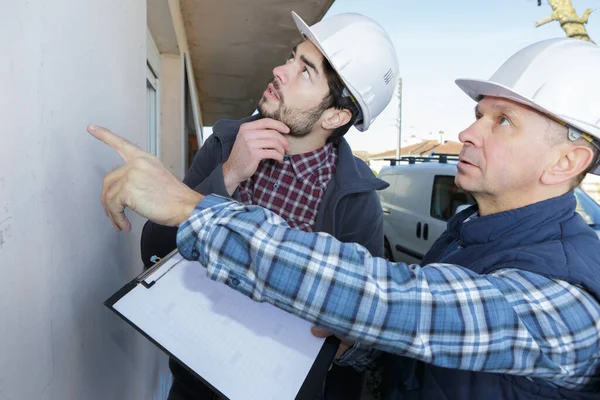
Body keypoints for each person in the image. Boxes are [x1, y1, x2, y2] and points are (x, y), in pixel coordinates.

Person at [89, 37, 600, 399]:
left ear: (567, 163)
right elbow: (397, 346)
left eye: (503, 121)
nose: (468, 134)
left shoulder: (570, 305)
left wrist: (191, 206)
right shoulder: (466, 237)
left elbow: (390, 299)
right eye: (478, 116)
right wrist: (353, 341)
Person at [139, 11, 399, 400]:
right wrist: (226, 176)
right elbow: (154, 250)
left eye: (305, 70)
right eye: (291, 57)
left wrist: (351, 337)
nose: (280, 70)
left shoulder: (356, 200)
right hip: (194, 387)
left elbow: (363, 337)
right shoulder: (224, 147)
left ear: (336, 115)